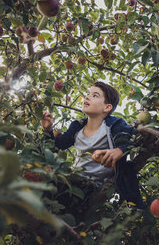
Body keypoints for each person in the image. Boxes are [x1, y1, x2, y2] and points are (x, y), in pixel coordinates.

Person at [41, 81, 145, 211]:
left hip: (91, 186)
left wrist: (120, 150)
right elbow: (56, 147)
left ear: (107, 107)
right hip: (72, 181)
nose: (87, 97)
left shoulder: (115, 124)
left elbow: (133, 137)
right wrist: (48, 130)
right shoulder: (77, 126)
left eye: (95, 95)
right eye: (88, 94)